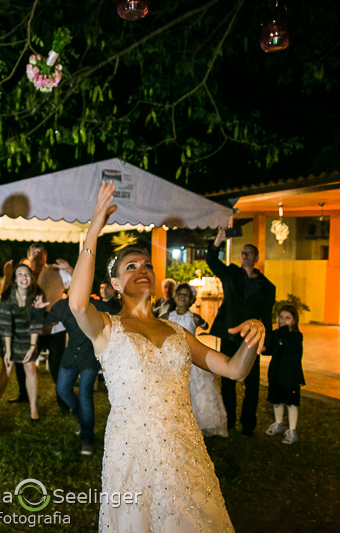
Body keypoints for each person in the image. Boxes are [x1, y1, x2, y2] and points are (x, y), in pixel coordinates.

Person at [69, 180, 265, 531]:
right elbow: (78, 303)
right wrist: (94, 228)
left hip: (184, 450)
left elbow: (235, 371)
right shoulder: (106, 329)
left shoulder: (178, 332)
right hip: (131, 451)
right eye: (130, 267)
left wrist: (253, 339)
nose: (142, 269)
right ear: (114, 284)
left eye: (146, 264)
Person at [207, 227, 276, 437]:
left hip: (252, 339)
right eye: (242, 252)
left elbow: (267, 315)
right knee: (227, 379)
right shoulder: (230, 273)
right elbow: (211, 261)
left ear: (256, 258)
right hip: (230, 335)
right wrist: (218, 240)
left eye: (248, 253)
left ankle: (248, 424)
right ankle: (228, 421)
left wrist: (267, 342)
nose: (244, 255)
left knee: (252, 383)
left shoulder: (267, 286)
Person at [2, 244, 71, 411]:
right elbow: (7, 294)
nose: (37, 255)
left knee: (56, 366)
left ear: (46, 257)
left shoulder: (57, 272)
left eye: (41, 253)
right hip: (29, 328)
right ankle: (24, 395)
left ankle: (63, 402)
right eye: (34, 252)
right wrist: (7, 274)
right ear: (28, 255)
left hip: (55, 327)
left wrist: (70, 268)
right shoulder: (23, 274)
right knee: (22, 362)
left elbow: (77, 283)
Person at [47, 291, 117, 456]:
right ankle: (81, 415)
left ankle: (87, 437)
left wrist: (113, 297)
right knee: (62, 389)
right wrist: (37, 309)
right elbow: (45, 320)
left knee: (85, 393)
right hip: (70, 355)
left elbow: (116, 312)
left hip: (89, 357)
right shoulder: (63, 306)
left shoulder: (96, 305)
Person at [167, 282, 228, 438]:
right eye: (180, 294)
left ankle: (197, 424)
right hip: (173, 361)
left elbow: (206, 325)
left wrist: (201, 322)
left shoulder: (193, 317)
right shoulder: (168, 316)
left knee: (196, 392)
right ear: (175, 297)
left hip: (191, 361)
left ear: (191, 300)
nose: (182, 297)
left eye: (186, 295)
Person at [0, 264, 46, 422]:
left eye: (27, 274)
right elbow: (5, 324)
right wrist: (8, 351)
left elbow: (37, 322)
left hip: (29, 337)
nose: (24, 277)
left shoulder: (37, 294)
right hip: (10, 337)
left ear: (31, 277)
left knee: (30, 369)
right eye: (20, 274)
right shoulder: (7, 296)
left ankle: (33, 408)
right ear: (14, 279)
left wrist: (33, 346)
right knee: (6, 370)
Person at [263, 304, 305, 445]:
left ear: (294, 321)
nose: (283, 320)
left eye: (287, 318)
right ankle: (278, 423)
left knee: (291, 403)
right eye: (281, 317)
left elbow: (290, 348)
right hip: (276, 372)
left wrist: (282, 335)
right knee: (276, 400)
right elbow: (269, 349)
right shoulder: (276, 334)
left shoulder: (296, 336)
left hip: (290, 375)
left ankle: (292, 430)